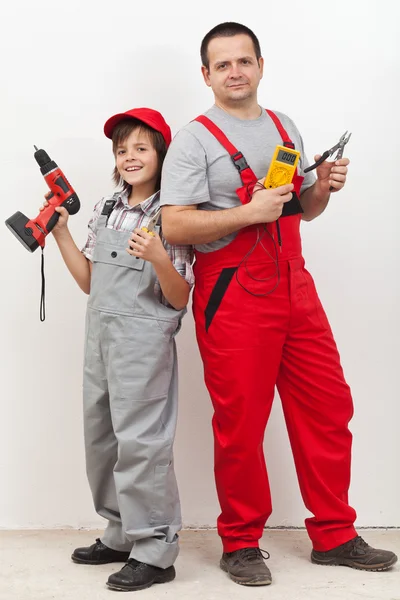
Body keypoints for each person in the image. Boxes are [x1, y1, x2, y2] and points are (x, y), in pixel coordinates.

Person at [160, 22, 397, 587]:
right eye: (223, 65)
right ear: (206, 75)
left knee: (327, 405)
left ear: (261, 66)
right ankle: (240, 542)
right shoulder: (194, 139)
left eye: (244, 61)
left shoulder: (283, 125)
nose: (235, 72)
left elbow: (299, 211)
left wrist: (322, 190)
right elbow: (174, 222)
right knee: (241, 422)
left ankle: (335, 534)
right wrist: (247, 213)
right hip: (232, 289)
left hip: (294, 281)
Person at [40, 107, 193, 592]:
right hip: (100, 337)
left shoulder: (173, 213)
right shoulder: (107, 208)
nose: (130, 157)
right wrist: (61, 232)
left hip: (145, 341)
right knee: (101, 438)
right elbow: (91, 281)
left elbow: (180, 296)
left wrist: (157, 257)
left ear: (161, 155)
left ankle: (156, 549)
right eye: (122, 149)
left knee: (142, 445)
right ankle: (121, 532)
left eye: (141, 148)